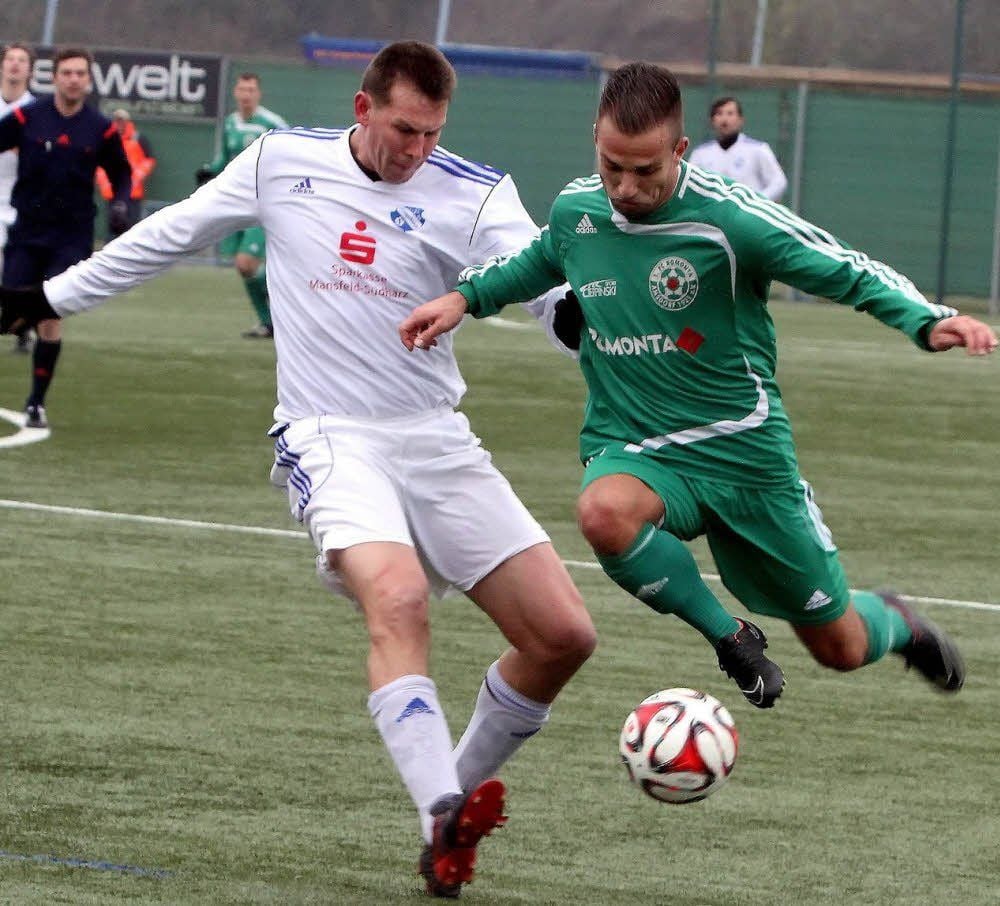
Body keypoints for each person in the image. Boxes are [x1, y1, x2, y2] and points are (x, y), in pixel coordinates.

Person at [0, 41, 596, 898]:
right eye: (402, 129)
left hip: (435, 438)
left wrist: (609, 329)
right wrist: (47, 298)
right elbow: (172, 233)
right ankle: (440, 804)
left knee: (562, 637)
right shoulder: (282, 162)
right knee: (394, 597)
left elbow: (550, 298)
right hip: (329, 434)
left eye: (431, 133)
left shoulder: (476, 193)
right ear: (363, 108)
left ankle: (447, 808)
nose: (415, 151)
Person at [401, 62, 998, 712]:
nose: (625, 187)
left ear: (679, 152)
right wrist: (465, 298)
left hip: (744, 457)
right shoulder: (579, 213)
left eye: (645, 171)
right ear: (596, 141)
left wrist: (928, 320)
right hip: (636, 444)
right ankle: (730, 637)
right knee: (603, 513)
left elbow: (843, 268)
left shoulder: (731, 223)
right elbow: (538, 261)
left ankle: (894, 621)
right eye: (612, 167)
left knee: (841, 646)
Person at [0, 46, 130, 429]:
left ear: (88, 81)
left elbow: (122, 174)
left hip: (71, 237)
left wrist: (120, 204)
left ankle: (36, 404)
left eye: (80, 74)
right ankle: (20, 322)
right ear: (54, 77)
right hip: (26, 232)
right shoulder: (27, 117)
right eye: (67, 72)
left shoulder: (100, 128)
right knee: (12, 314)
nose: (73, 79)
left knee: (51, 312)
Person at [195, 73, 287, 339]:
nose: (246, 94)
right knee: (243, 267)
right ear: (236, 93)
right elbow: (223, 159)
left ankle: (283, 294)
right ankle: (267, 323)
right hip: (237, 203)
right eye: (242, 89)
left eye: (251, 90)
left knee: (246, 263)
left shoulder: (272, 124)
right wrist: (208, 171)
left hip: (264, 203)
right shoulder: (230, 124)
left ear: (258, 94)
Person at [0, 41, 35, 354]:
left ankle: (22, 325)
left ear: (29, 69)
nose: (14, 65)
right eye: (9, 59)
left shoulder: (35, 113)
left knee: (17, 270)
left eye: (21, 60)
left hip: (20, 201)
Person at [688, 95, 787, 201]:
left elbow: (779, 182)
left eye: (730, 113)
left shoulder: (758, 149)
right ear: (712, 120)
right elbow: (690, 184)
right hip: (712, 214)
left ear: (741, 120)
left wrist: (758, 200)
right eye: (719, 113)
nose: (724, 119)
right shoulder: (700, 153)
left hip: (747, 214)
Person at [95, 109, 156, 239]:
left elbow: (149, 160)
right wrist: (104, 182)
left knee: (132, 231)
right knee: (112, 231)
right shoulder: (107, 139)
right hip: (113, 194)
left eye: (122, 121)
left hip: (133, 194)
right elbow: (100, 164)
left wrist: (137, 177)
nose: (119, 124)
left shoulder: (138, 139)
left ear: (127, 122)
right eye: (116, 121)